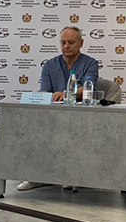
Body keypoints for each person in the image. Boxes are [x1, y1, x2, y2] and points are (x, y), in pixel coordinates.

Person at [17, 26, 99, 191]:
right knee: (32, 128)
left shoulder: (90, 63)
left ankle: (69, 175)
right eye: (63, 42)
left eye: (71, 42)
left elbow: (88, 88)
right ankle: (35, 176)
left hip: (81, 116)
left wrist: (65, 93)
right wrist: (48, 97)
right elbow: (44, 91)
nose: (66, 46)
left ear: (81, 43)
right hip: (53, 115)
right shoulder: (50, 65)